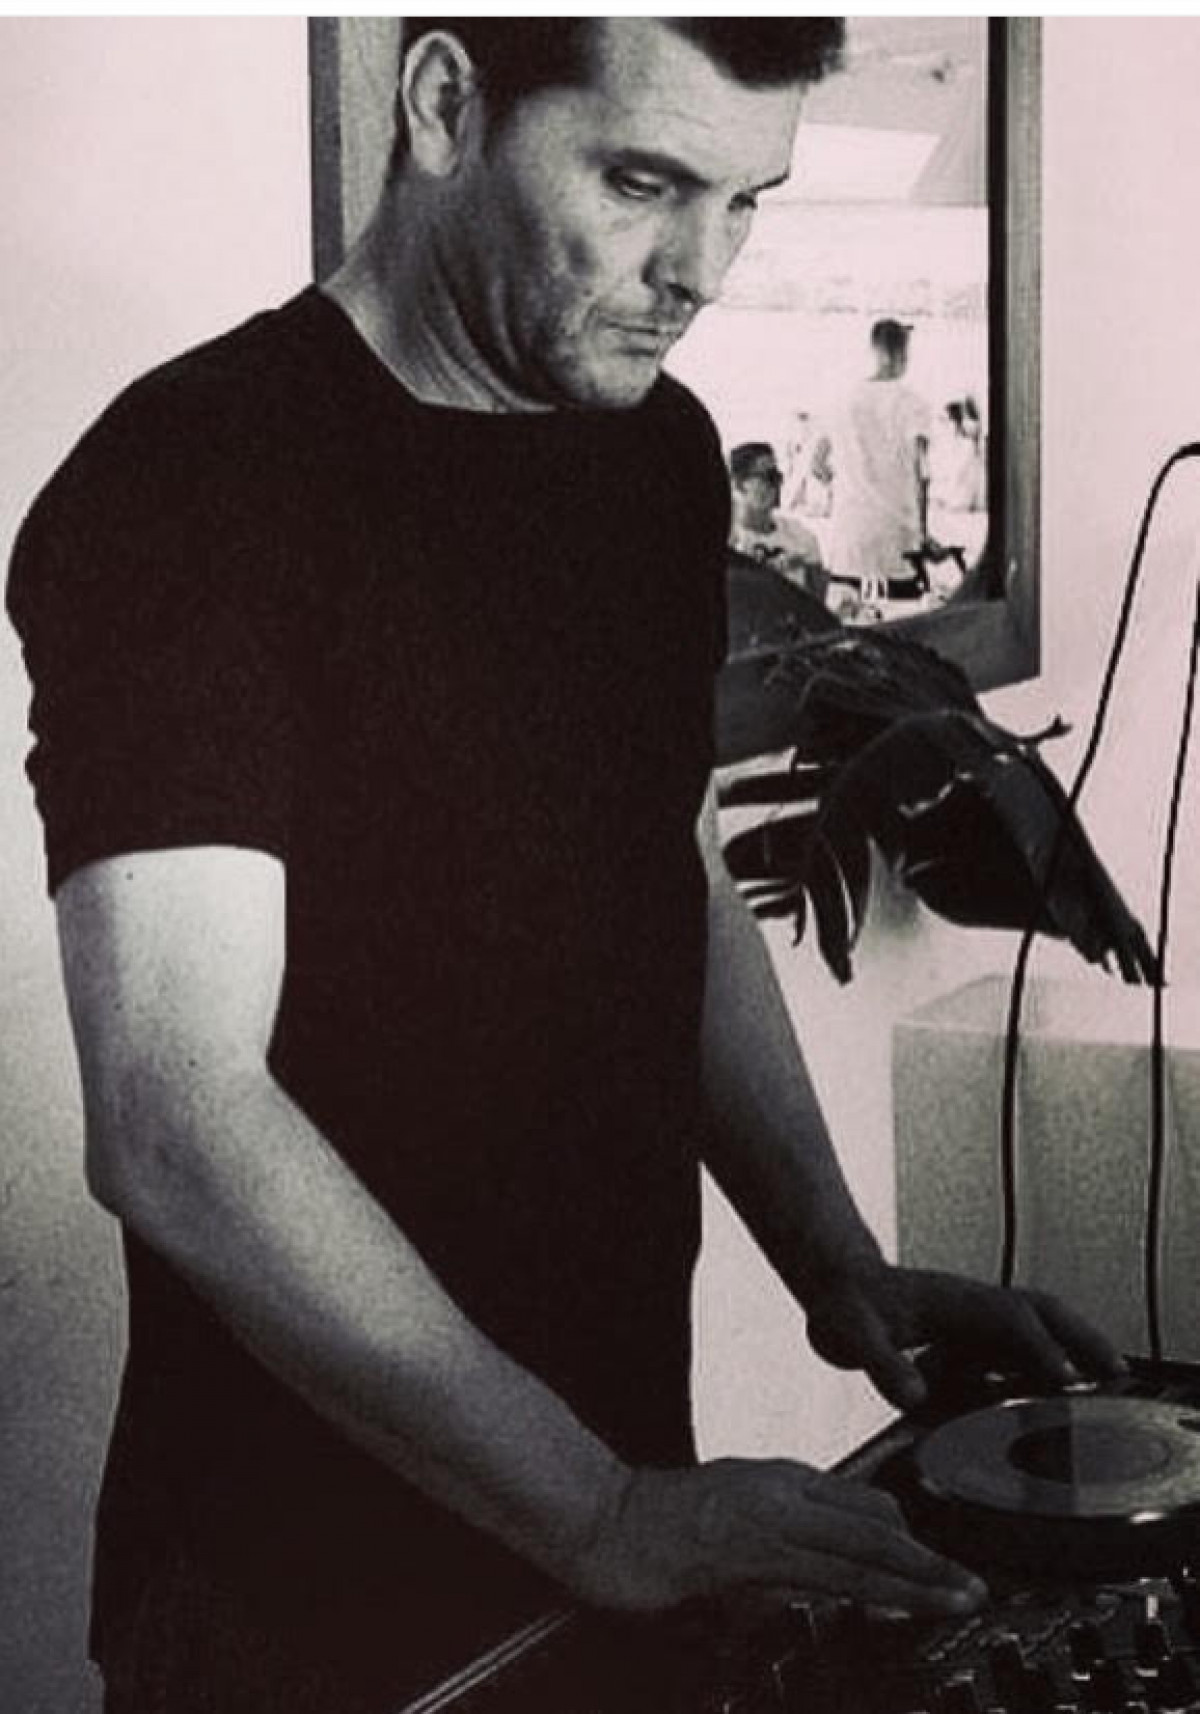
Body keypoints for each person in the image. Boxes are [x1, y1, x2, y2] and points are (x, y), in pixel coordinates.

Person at [6, 20, 1122, 1713]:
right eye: (642, 182)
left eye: (746, 199)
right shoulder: (193, 480)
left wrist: (837, 1259)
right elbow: (176, 1114)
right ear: (445, 103)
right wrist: (595, 1508)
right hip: (290, 1586)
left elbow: (666, 873)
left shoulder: (656, 455)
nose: (702, 270)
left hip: (621, 1508)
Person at [817, 316, 936, 608]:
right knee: (902, 621)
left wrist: (850, 485)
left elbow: (817, 466)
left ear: (874, 350)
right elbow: (922, 473)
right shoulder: (913, 404)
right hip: (897, 535)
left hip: (850, 532)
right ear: (901, 354)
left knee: (847, 617)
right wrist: (923, 533)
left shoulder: (841, 400)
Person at [728, 439, 827, 599]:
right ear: (739, 485)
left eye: (778, 477)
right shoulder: (730, 542)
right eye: (768, 477)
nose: (776, 485)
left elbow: (818, 600)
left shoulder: (802, 537)